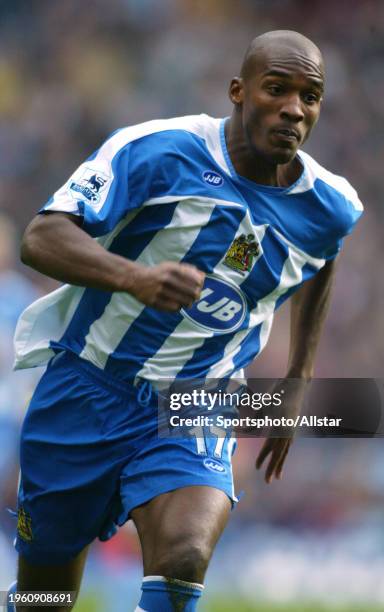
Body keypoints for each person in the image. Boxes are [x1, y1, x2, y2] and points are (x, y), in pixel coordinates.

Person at [9, 30, 363, 612]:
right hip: (87, 386)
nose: (295, 109)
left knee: (184, 553)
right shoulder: (157, 151)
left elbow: (324, 255)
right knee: (42, 599)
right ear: (238, 92)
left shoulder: (329, 203)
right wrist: (134, 277)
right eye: (277, 89)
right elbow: (41, 237)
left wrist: (299, 376)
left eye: (311, 96)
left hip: (196, 399)